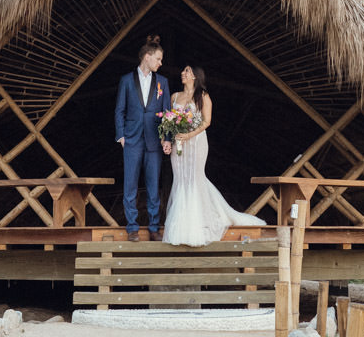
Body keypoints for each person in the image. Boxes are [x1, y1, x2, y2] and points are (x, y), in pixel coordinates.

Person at [162, 65, 266, 246]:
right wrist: (171, 139)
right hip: (179, 143)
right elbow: (169, 120)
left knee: (194, 178)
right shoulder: (175, 96)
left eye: (186, 71)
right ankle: (180, 224)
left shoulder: (203, 96)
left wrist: (188, 135)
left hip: (196, 143)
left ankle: (200, 224)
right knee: (180, 179)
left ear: (194, 76)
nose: (182, 73)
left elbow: (206, 121)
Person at [114, 35, 170, 239]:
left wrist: (167, 138)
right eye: (158, 59)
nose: (160, 63)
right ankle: (132, 228)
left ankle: (154, 228)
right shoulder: (127, 80)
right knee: (130, 185)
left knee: (153, 185)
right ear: (147, 57)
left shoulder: (162, 82)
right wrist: (120, 135)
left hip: (154, 140)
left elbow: (168, 113)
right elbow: (119, 110)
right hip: (131, 139)